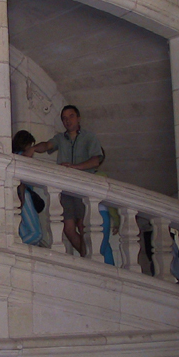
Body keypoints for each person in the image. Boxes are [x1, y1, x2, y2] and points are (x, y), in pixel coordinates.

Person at [32, 105, 104, 257]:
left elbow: (95, 161)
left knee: (83, 226)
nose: (67, 120)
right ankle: (87, 257)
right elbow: (47, 145)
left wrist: (74, 167)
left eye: (71, 116)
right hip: (65, 189)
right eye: (64, 118)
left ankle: (90, 260)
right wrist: (33, 149)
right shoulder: (60, 138)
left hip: (84, 187)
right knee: (68, 229)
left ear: (78, 118)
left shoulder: (89, 137)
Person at [12, 130, 49, 247]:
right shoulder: (22, 157)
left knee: (23, 234)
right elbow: (20, 180)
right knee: (36, 234)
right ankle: (12, 247)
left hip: (15, 196)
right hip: (23, 196)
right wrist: (22, 197)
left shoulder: (13, 157)